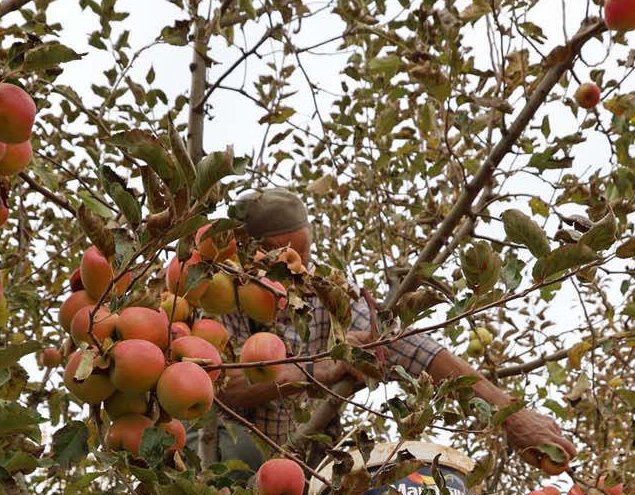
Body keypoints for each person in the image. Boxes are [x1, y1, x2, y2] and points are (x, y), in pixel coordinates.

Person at [212, 188, 576, 472]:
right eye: (281, 257)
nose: (297, 271)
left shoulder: (324, 293)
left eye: (303, 257)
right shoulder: (216, 293)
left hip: (307, 473)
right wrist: (317, 370)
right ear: (244, 253)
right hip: (235, 482)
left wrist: (511, 416)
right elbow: (219, 384)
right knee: (240, 450)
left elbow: (415, 350)